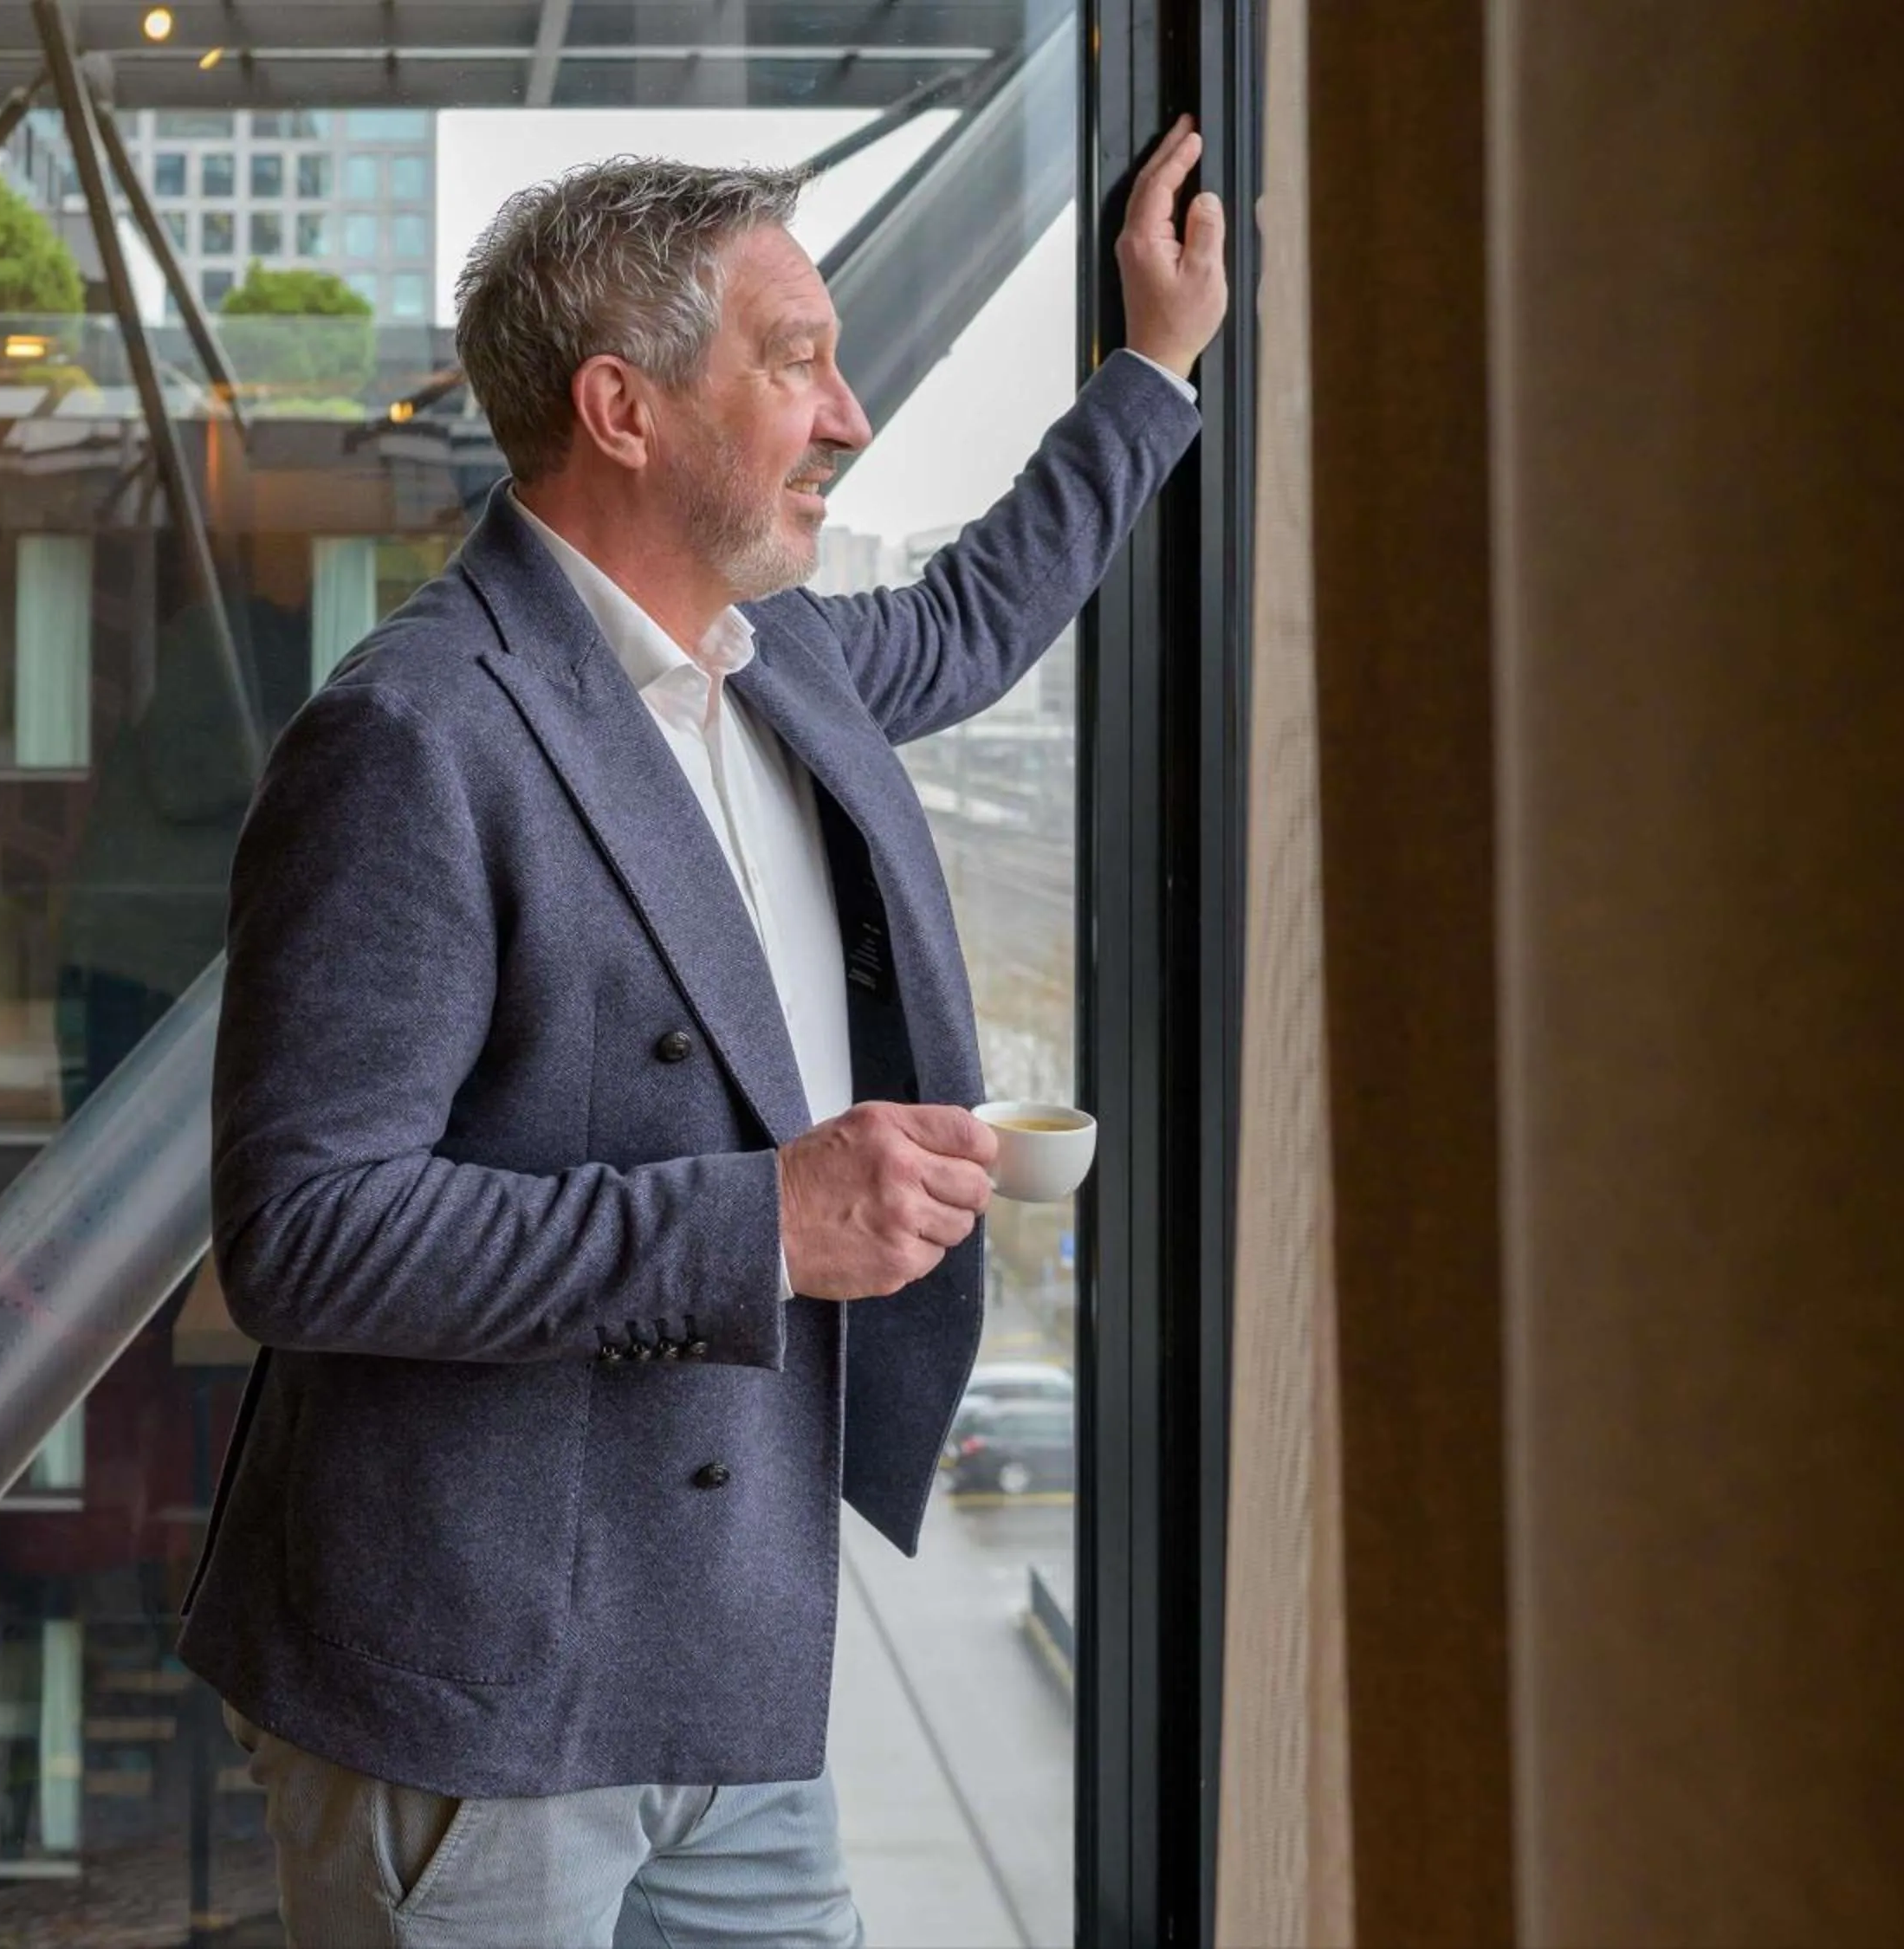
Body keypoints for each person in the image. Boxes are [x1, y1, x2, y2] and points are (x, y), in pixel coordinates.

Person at [176, 115, 1228, 1947]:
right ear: (623, 408)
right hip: (470, 1703)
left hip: (731, 1664)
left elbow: (983, 614)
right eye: (798, 360)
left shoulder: (784, 661)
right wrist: (761, 1222)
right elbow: (305, 1234)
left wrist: (1151, 366)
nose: (851, 415)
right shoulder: (414, 737)